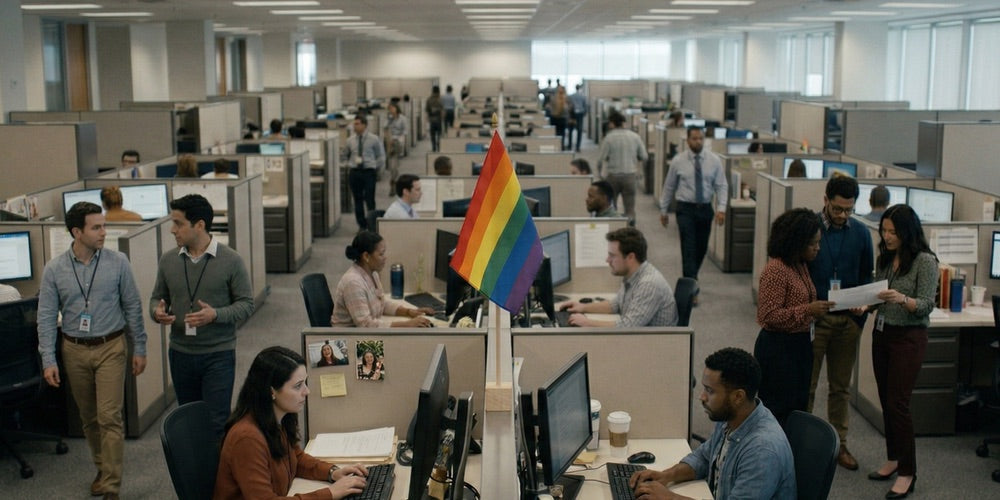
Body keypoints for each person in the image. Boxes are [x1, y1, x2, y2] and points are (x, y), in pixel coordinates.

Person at [37, 201, 148, 500]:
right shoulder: (55, 269)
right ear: (77, 232)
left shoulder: (118, 262)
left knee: (109, 416)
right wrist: (49, 359)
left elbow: (133, 307)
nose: (103, 232)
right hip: (74, 349)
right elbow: (46, 317)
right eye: (96, 227)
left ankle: (112, 485)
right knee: (89, 418)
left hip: (111, 345)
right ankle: (102, 467)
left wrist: (140, 347)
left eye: (103, 226)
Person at [150, 194, 254, 440]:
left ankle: (217, 478)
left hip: (217, 354)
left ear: (199, 225)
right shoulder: (168, 260)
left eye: (178, 223)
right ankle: (195, 477)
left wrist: (215, 315)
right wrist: (157, 311)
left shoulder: (231, 260)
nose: (172, 230)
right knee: (189, 421)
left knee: (216, 423)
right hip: (180, 353)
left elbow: (246, 305)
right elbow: (156, 298)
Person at [629, 348, 796, 500]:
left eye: (710, 391)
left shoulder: (761, 450)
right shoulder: (732, 417)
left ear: (738, 397)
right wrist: (667, 476)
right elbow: (704, 457)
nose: (702, 397)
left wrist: (670, 498)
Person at [214, 346, 368, 499]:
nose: (306, 391)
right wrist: (329, 493)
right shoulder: (247, 439)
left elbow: (295, 458)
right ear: (272, 391)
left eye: (305, 383)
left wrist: (332, 472)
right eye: (297, 386)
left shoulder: (278, 417)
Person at [867, 204, 937, 499]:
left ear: (907, 232)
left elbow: (925, 305)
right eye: (884, 231)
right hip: (882, 334)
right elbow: (877, 292)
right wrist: (867, 303)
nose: (887, 236)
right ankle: (893, 458)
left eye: (893, 232)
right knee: (886, 399)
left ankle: (908, 472)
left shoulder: (925, 261)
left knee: (898, 404)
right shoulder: (885, 257)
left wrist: (901, 299)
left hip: (909, 338)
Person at [806, 173, 873, 471]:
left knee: (840, 388)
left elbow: (866, 276)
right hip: (816, 320)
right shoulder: (810, 230)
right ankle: (801, 444)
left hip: (848, 322)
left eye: (848, 209)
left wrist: (862, 314)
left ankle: (839, 445)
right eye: (837, 209)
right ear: (825, 201)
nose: (843, 215)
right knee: (807, 385)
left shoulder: (860, 233)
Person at [755, 208, 833, 426]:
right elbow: (768, 316)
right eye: (813, 243)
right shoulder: (776, 270)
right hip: (779, 349)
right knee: (779, 409)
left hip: (799, 345)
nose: (818, 248)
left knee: (797, 406)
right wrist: (808, 310)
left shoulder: (800, 265)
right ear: (796, 242)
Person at [560, 227, 676, 327]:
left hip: (654, 347)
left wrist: (587, 323)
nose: (607, 260)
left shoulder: (649, 284)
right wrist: (583, 307)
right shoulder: (632, 275)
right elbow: (615, 305)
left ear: (630, 257)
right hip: (639, 340)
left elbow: (627, 327)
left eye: (612, 256)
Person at [660, 126, 728, 286]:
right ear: (687, 140)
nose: (698, 142)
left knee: (701, 247)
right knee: (688, 247)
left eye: (701, 138)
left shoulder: (714, 160)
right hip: (685, 209)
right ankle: (691, 284)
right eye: (694, 138)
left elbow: (721, 185)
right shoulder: (678, 161)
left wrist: (721, 208)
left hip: (705, 208)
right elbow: (669, 186)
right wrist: (664, 210)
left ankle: (692, 276)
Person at [331, 231, 434, 327]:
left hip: (364, 336)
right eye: (381, 254)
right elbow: (365, 325)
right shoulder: (353, 283)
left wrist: (409, 312)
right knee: (407, 343)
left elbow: (381, 304)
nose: (385, 257)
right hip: (350, 341)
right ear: (366, 256)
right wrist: (407, 324)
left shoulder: (372, 274)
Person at [597, 112, 647, 224]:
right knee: (630, 208)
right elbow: (644, 156)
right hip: (630, 176)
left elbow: (601, 159)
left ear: (612, 123)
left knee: (611, 207)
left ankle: (615, 229)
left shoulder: (608, 138)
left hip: (613, 177)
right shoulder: (635, 136)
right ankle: (631, 231)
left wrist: (600, 175)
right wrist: (634, 158)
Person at [343, 115, 385, 230]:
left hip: (368, 172)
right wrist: (348, 164)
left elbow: (381, 156)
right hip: (355, 172)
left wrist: (377, 169)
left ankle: (371, 224)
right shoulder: (350, 140)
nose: (354, 126)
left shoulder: (374, 139)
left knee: (370, 199)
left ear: (364, 125)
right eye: (354, 124)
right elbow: (344, 155)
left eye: (357, 124)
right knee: (357, 199)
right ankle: (361, 224)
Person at [384, 102, 409, 194]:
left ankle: (393, 182)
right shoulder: (389, 119)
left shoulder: (402, 119)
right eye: (389, 109)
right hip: (390, 143)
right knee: (392, 165)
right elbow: (385, 128)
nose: (391, 110)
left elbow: (405, 132)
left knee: (395, 165)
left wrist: (400, 140)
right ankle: (393, 181)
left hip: (398, 142)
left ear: (396, 108)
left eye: (392, 108)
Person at [568, 84, 588, 152]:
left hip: (572, 114)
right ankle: (577, 147)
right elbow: (585, 106)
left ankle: (569, 145)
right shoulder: (583, 96)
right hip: (580, 114)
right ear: (579, 88)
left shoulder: (571, 96)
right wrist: (584, 113)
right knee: (579, 131)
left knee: (570, 130)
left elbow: (569, 105)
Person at [549, 85, 570, 150]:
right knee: (562, 134)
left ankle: (556, 146)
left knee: (555, 134)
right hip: (562, 119)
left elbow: (550, 108)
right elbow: (567, 110)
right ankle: (561, 146)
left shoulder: (553, 98)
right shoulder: (566, 99)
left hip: (554, 118)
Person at [426, 85, 444, 152]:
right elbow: (442, 110)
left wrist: (428, 118)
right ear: (439, 91)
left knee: (432, 135)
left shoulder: (429, 99)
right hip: (438, 119)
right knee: (439, 134)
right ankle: (439, 146)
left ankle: (434, 147)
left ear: (432, 91)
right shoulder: (440, 99)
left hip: (432, 119)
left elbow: (427, 110)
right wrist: (442, 118)